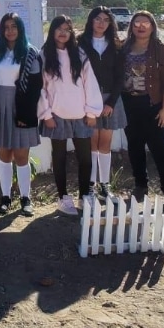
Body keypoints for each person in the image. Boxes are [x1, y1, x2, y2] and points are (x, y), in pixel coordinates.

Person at [38, 15, 103, 217]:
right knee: (59, 158)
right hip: (56, 115)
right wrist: (46, 114)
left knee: (85, 158)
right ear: (52, 31)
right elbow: (40, 88)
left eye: (67, 29)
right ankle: (63, 197)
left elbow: (90, 83)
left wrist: (91, 112)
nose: (63, 33)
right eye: (59, 28)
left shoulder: (79, 54)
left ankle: (85, 196)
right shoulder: (44, 55)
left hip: (81, 115)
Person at [0, 12, 43, 216]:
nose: (10, 31)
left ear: (20, 29)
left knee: (21, 155)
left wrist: (26, 115)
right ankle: (5, 198)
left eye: (14, 26)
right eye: (6, 27)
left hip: (22, 107)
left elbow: (35, 87)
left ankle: (26, 198)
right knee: (4, 155)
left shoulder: (30, 52)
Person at [119, 11, 164, 208]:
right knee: (134, 146)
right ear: (131, 27)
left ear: (153, 27)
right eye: (137, 23)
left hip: (152, 105)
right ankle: (140, 186)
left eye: (145, 23)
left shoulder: (161, 50)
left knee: (158, 147)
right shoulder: (123, 48)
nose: (141, 26)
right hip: (129, 105)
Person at [80, 6, 127, 198]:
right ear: (91, 20)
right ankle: (90, 185)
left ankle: (105, 185)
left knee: (105, 143)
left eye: (106, 20)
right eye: (98, 19)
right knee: (92, 143)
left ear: (110, 23)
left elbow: (120, 77)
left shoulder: (116, 45)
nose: (101, 23)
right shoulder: (80, 42)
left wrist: (111, 103)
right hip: (88, 99)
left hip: (110, 99)